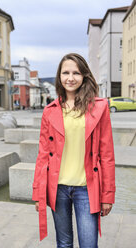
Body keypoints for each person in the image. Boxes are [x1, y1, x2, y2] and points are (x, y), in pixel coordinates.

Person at [32, 53, 115, 248]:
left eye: (76, 72)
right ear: (59, 77)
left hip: (86, 188)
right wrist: (37, 193)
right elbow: (43, 155)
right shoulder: (50, 110)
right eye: (66, 72)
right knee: (64, 243)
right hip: (57, 187)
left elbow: (107, 156)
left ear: (84, 75)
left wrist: (108, 195)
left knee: (88, 244)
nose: (70, 78)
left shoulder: (99, 108)